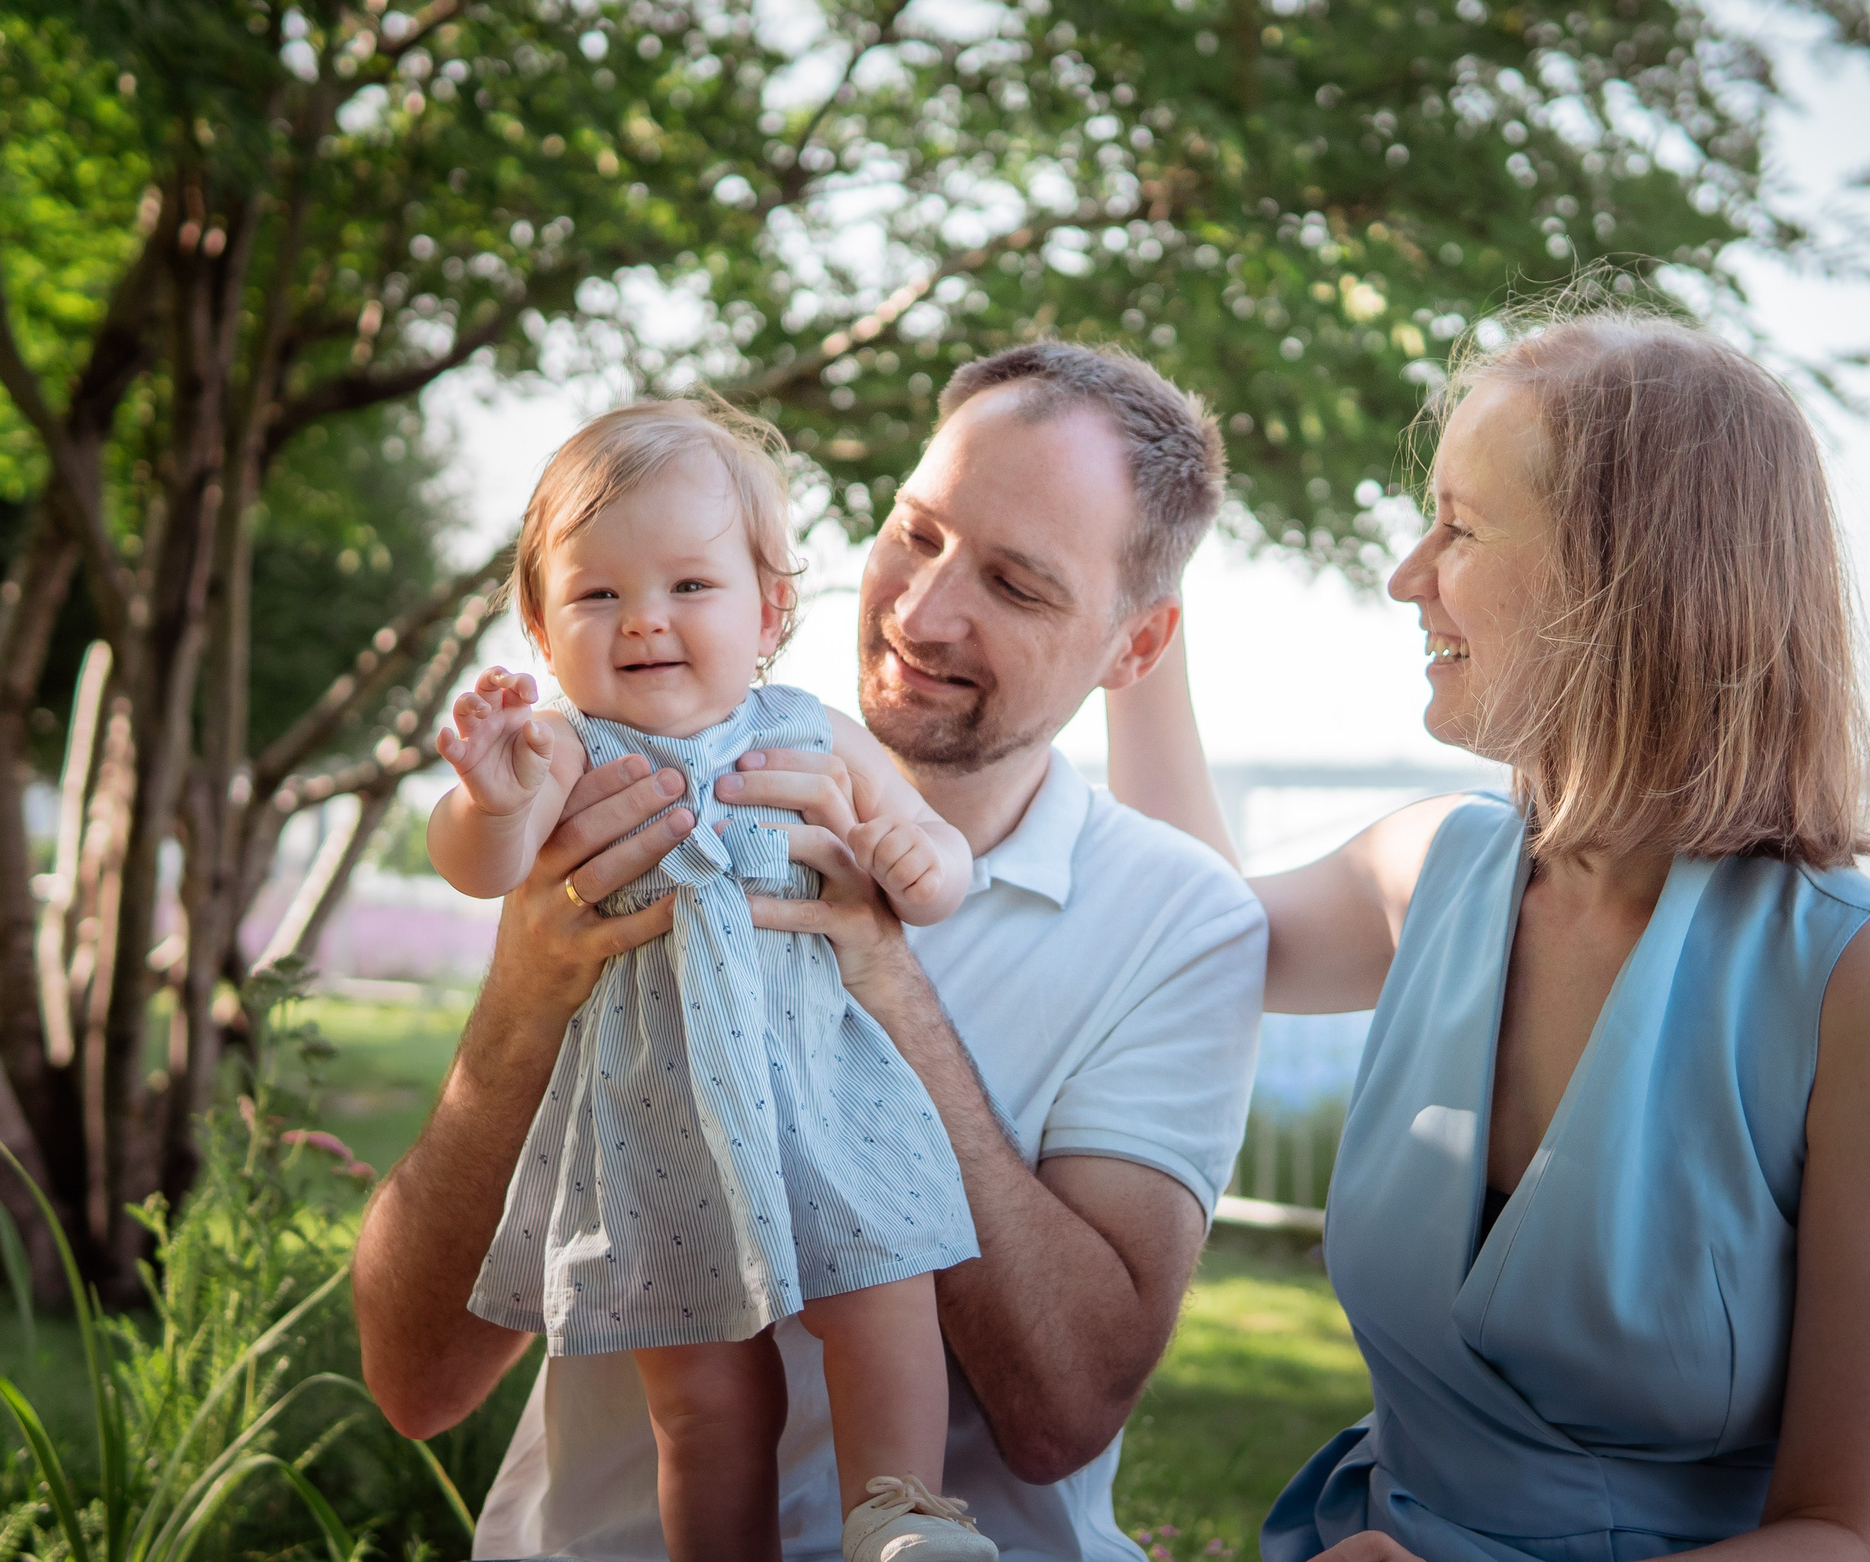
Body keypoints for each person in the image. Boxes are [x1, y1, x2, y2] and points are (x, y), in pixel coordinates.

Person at [355, 342, 1270, 1562]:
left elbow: (1063, 1413)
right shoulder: (597, 818)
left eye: (1016, 584)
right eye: (916, 533)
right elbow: (415, 1385)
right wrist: (528, 981)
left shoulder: (1180, 922)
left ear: (1135, 647)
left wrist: (887, 972)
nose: (921, 612)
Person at [1106, 313, 1870, 1561]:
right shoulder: (1432, 870)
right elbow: (1176, 922)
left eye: (1460, 528)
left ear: (1622, 582)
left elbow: (1846, 1533)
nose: (1407, 574)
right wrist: (1133, 584)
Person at [424, 400, 991, 1562]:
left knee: (887, 1297)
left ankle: (903, 1515)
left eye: (689, 584)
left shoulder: (812, 730)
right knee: (703, 1398)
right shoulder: (567, 745)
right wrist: (486, 796)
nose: (644, 619)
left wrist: (919, 859)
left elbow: (934, 856)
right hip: (653, 1117)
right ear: (540, 626)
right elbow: (485, 864)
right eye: (597, 594)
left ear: (769, 610)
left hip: (823, 1088)